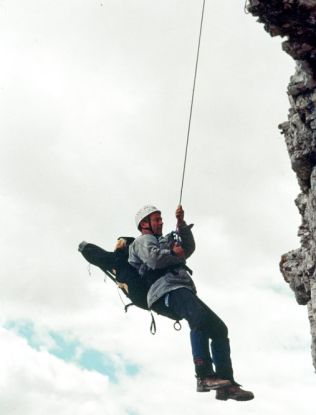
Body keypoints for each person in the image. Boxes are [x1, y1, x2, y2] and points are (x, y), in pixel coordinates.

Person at [128, 204, 254, 401]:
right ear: (144, 224)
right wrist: (174, 254)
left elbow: (187, 249)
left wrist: (181, 224)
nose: (161, 222)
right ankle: (203, 376)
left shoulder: (161, 240)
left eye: (161, 219)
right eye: (156, 219)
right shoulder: (142, 241)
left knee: (220, 329)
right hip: (165, 290)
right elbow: (153, 260)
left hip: (179, 288)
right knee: (199, 319)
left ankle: (226, 383)